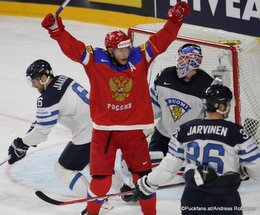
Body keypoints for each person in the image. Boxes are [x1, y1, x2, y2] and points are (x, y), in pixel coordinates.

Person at [41, 1, 191, 214]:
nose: (126, 53)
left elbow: (161, 40)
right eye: (121, 50)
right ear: (110, 50)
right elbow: (74, 49)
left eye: (127, 47)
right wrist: (57, 30)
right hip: (104, 133)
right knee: (101, 181)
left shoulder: (139, 56)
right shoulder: (95, 60)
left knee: (143, 179)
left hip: (134, 132)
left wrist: (175, 21)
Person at [135, 80, 260, 215]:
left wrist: (149, 183)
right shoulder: (236, 132)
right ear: (221, 107)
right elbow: (256, 166)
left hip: (193, 198)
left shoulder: (184, 129)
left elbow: (169, 167)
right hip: (224, 199)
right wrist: (243, 171)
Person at [8, 59, 93, 198]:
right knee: (95, 164)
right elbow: (57, 109)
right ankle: (124, 188)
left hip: (87, 135)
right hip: (102, 125)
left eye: (34, 81)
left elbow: (41, 133)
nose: (33, 85)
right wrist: (36, 127)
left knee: (62, 169)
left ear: (43, 78)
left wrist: (22, 143)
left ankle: (97, 203)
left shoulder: (48, 99)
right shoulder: (62, 79)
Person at [149, 43, 213, 164]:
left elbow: (210, 119)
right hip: (162, 136)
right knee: (150, 171)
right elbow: (153, 106)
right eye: (179, 57)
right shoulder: (164, 75)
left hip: (189, 142)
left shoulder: (208, 85)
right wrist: (143, 125)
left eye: (183, 58)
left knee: (184, 178)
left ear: (194, 61)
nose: (179, 61)